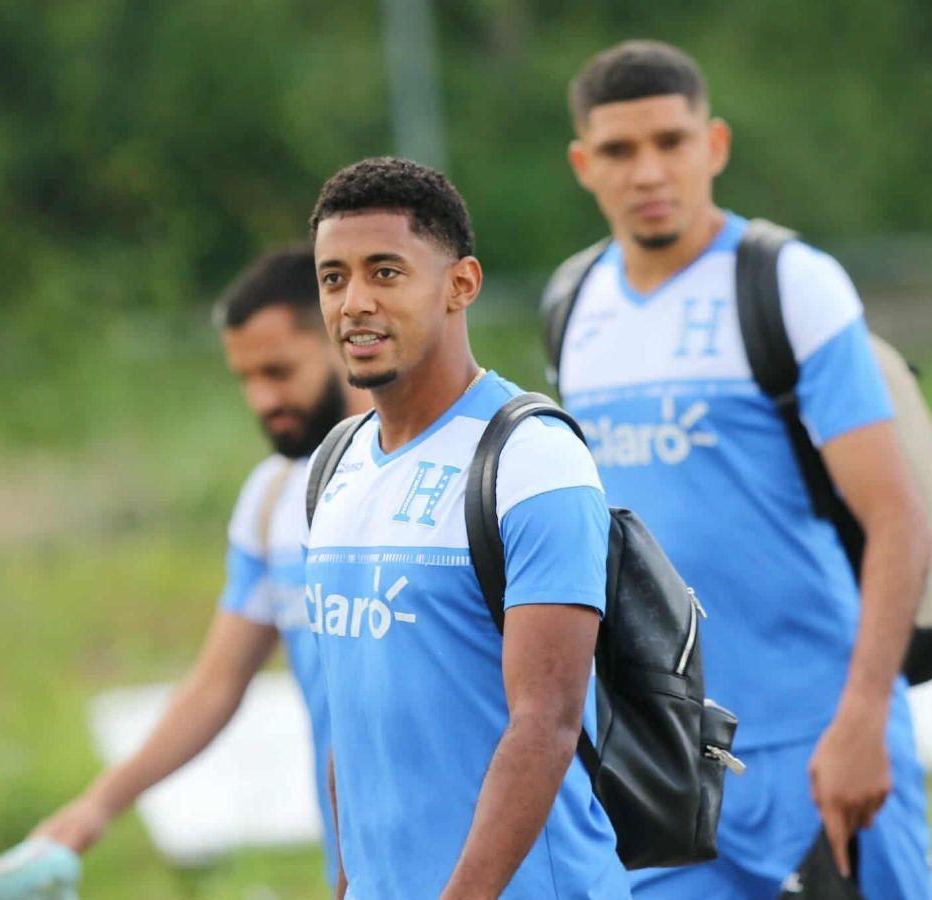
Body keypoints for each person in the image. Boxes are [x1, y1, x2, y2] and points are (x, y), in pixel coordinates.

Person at [554, 40, 932, 899]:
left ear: (714, 146)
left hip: (820, 735)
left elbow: (898, 518)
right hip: (666, 757)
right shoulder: (573, 304)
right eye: (618, 150)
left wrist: (864, 717)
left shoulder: (789, 284)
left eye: (671, 141)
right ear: (583, 164)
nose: (648, 170)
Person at [303, 157, 629, 899]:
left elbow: (545, 722)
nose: (354, 302)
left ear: (461, 285)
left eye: (385, 273)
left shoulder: (531, 457)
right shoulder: (335, 467)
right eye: (333, 277)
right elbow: (349, 722)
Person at [33, 245, 370, 888]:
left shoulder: (450, 482)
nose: (262, 400)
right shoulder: (269, 500)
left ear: (346, 339)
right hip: (356, 862)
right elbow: (216, 686)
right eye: (245, 379)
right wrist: (98, 804)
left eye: (278, 370)